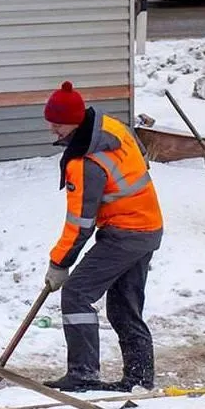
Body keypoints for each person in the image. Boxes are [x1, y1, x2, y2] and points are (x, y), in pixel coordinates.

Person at [40, 81, 164, 393]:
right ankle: (139, 379)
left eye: (57, 124)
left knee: (76, 294)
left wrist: (59, 264)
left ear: (75, 121)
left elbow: (80, 224)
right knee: (124, 306)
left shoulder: (86, 162)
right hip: (147, 227)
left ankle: (83, 374)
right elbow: (142, 158)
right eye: (50, 122)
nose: (52, 130)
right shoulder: (110, 127)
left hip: (125, 233)